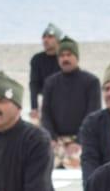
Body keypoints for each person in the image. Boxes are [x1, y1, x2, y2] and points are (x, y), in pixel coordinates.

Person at [41, 36, 101, 169]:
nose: (65, 59)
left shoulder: (91, 82)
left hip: (83, 139)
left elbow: (93, 114)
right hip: (57, 140)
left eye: (69, 55)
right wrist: (52, 138)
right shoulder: (50, 83)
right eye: (61, 56)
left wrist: (79, 141)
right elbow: (45, 114)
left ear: (77, 57)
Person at [29, 23, 63, 121]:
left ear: (58, 40)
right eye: (44, 37)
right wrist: (34, 107)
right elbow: (33, 84)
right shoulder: (37, 59)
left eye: (50, 37)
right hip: (43, 99)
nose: (46, 40)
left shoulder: (64, 59)